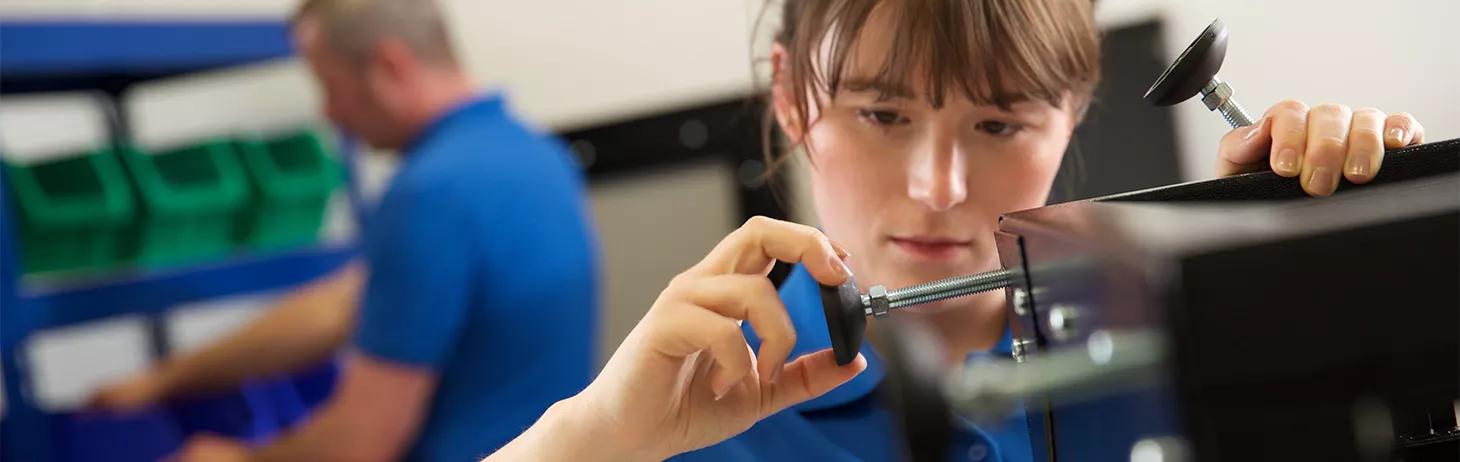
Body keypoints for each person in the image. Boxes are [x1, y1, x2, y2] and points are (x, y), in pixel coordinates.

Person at [486, 0, 1428, 460]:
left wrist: (1316, 292)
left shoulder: (1160, 355)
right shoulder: (688, 415)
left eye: (1000, 123)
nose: (938, 188)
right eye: (882, 115)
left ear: (1076, 107)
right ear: (787, 95)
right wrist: (585, 441)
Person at [89, 0, 599, 461]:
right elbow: (345, 305)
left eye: (331, 87)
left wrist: (237, 461)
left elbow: (359, 445)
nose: (330, 113)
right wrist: (165, 379)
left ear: (390, 66)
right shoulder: (534, 155)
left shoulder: (428, 195)